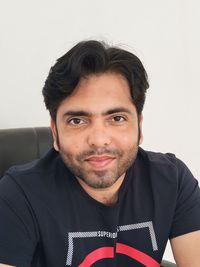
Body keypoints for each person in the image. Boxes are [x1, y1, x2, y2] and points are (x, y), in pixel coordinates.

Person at [0, 40, 200, 267]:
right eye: (77, 120)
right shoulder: (18, 195)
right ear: (55, 133)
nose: (98, 139)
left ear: (139, 127)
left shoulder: (172, 180)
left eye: (117, 118)